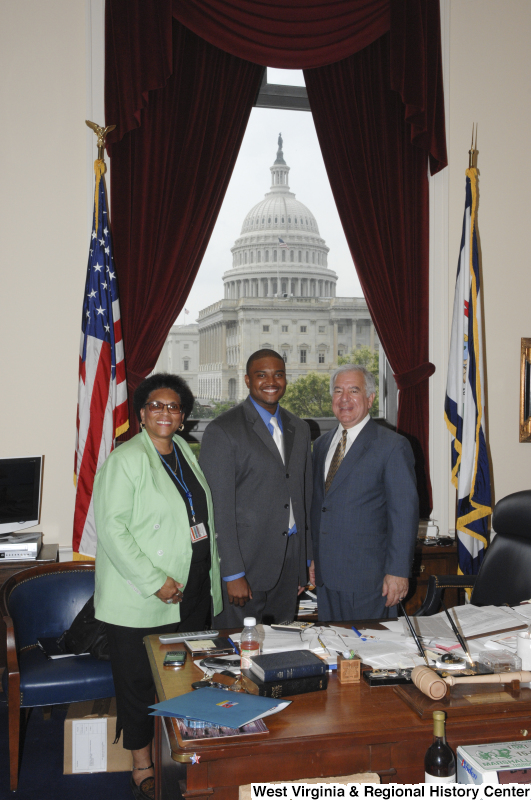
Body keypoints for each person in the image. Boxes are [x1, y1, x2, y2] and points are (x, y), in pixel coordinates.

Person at [93, 373, 222, 800]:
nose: (165, 413)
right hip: (142, 597)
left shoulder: (185, 450)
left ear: (183, 417)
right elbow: (112, 531)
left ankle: (180, 753)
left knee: (185, 679)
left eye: (174, 407)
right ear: (142, 413)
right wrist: (155, 582)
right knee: (137, 685)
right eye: (156, 406)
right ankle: (142, 764)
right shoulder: (125, 459)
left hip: (192, 591)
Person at [199, 349, 313, 627]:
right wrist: (232, 573)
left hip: (288, 565)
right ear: (248, 380)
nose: (271, 381)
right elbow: (218, 509)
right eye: (261, 375)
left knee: (279, 650)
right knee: (237, 656)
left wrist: (303, 562)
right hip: (245, 568)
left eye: (278, 374)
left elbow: (303, 498)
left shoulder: (299, 427)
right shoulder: (223, 430)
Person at [310, 364, 418, 621]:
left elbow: (404, 513)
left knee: (370, 656)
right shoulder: (322, 444)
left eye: (353, 391)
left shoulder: (392, 446)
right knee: (334, 654)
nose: (344, 399)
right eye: (338, 391)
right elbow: (319, 506)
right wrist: (313, 559)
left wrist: (398, 571)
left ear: (370, 399)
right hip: (327, 578)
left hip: (371, 580)